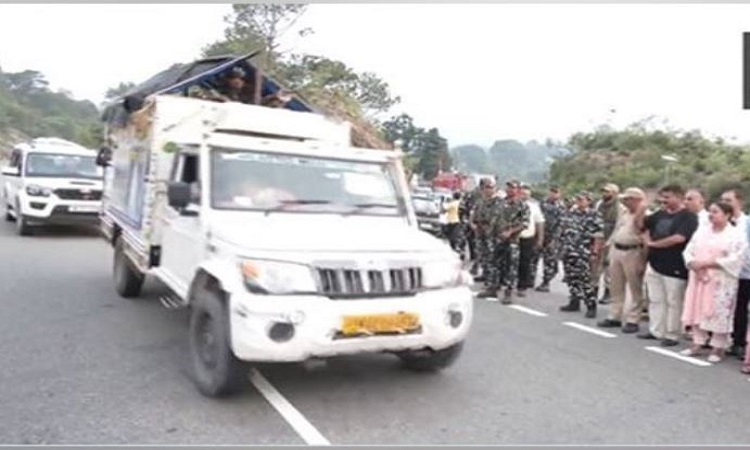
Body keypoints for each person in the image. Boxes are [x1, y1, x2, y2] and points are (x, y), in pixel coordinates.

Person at [680, 202, 748, 362]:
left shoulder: (736, 234)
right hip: (699, 276)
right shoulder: (702, 231)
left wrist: (708, 263)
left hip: (721, 279)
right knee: (696, 309)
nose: (711, 215)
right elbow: (689, 250)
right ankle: (697, 343)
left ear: (727, 215)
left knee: (720, 312)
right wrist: (694, 264)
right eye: (710, 211)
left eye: (716, 212)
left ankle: (718, 347)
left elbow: (736, 258)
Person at [637, 184, 698, 347]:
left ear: (678, 197)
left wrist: (654, 244)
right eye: (663, 197)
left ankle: (672, 333)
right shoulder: (660, 214)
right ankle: (656, 330)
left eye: (668, 197)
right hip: (655, 263)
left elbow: (679, 238)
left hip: (675, 265)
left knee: (673, 301)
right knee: (656, 299)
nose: (664, 200)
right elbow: (642, 225)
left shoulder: (688, 217)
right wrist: (642, 209)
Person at [597, 187, 648, 333]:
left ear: (637, 200)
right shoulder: (624, 213)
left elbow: (643, 234)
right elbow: (616, 231)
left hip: (633, 251)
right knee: (616, 285)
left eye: (628, 199)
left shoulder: (645, 215)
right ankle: (615, 315)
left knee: (635, 287)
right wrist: (609, 249)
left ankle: (633, 318)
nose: (625, 202)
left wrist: (643, 260)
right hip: (618, 249)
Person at [559, 191, 605, 318]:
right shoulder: (571, 214)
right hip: (569, 249)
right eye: (577, 199)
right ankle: (574, 301)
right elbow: (564, 230)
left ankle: (591, 305)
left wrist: (595, 252)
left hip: (583, 251)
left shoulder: (594, 215)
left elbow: (599, 236)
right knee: (571, 277)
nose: (578, 202)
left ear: (589, 201)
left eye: (582, 199)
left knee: (586, 280)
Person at [487, 179, 530, 304]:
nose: (509, 189)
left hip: (512, 240)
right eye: (508, 187)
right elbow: (494, 218)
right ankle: (493, 288)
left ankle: (508, 292)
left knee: (511, 266)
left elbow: (524, 223)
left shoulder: (522, 205)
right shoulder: (500, 202)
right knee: (494, 264)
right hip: (497, 238)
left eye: (512, 187)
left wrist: (511, 231)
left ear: (518, 190)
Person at [720, 188, 750, 359]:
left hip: (746, 273)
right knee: (732, 308)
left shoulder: (747, 222)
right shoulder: (720, 223)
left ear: (739, 202)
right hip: (726, 272)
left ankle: (741, 343)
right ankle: (727, 340)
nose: (725, 203)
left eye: (729, 200)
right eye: (723, 199)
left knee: (743, 309)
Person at [595, 183, 625, 305]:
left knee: (609, 268)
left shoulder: (620, 208)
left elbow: (618, 226)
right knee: (596, 267)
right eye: (604, 191)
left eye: (608, 192)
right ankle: (594, 290)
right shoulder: (599, 205)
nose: (605, 194)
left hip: (611, 239)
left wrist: (610, 241)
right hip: (598, 238)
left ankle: (608, 292)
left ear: (614, 193)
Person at [472, 179, 502, 296]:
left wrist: (490, 228)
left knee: (492, 259)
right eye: (486, 187)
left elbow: (498, 218)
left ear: (495, 189)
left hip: (492, 235)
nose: (488, 189)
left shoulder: (499, 202)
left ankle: (492, 283)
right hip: (481, 233)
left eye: (491, 187)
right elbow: (474, 215)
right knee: (483, 256)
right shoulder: (480, 202)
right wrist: (473, 224)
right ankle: (486, 277)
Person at [536, 186, 566, 292]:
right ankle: (530, 278)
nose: (553, 194)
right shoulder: (542, 203)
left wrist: (555, 239)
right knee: (535, 257)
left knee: (550, 260)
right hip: (541, 234)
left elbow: (561, 224)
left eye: (556, 192)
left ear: (559, 194)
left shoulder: (561, 206)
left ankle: (546, 281)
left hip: (553, 236)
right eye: (552, 192)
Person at [517, 184, 545, 297]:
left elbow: (540, 222)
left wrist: (540, 239)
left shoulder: (534, 206)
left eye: (526, 194)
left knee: (525, 262)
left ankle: (522, 285)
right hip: (513, 237)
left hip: (527, 237)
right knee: (510, 261)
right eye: (522, 194)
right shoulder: (512, 204)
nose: (524, 196)